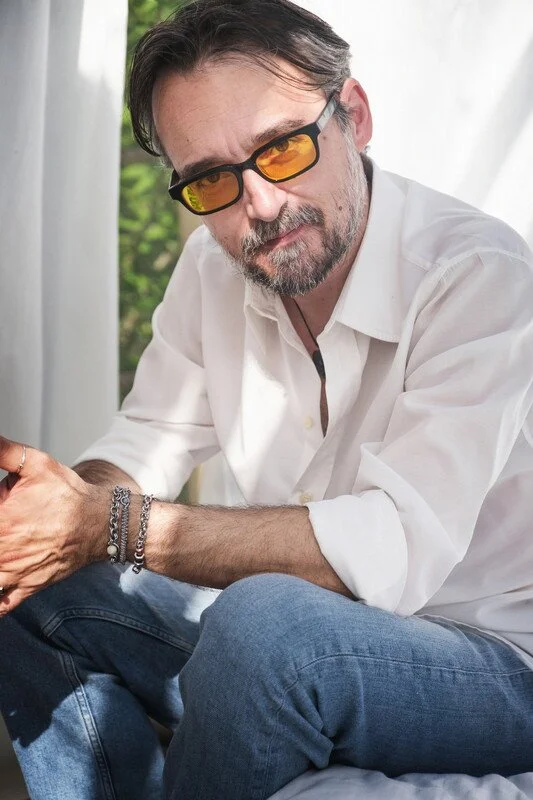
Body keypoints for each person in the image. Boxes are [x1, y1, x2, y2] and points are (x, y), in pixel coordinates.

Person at [1, 0, 533, 798]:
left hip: (494, 667)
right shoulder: (214, 270)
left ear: (351, 115)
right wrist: (43, 514)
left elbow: (390, 546)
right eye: (211, 179)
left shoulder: (477, 274)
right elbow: (144, 444)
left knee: (265, 625)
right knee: (35, 579)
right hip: (305, 657)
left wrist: (102, 524)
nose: (257, 204)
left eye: (280, 150)